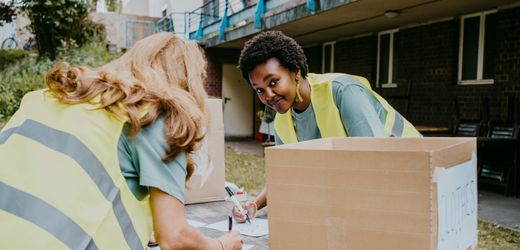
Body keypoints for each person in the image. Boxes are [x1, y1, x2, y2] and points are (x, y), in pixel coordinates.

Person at [0, 32, 242, 250]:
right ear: (187, 81)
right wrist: (221, 245)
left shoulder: (52, 97)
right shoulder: (155, 115)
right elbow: (174, 237)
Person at [232, 30, 421, 223]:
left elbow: (375, 162)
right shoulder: (282, 121)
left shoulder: (343, 91)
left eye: (273, 82)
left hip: (413, 177)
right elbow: (286, 174)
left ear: (296, 71)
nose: (268, 95)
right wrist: (254, 205)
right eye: (259, 90)